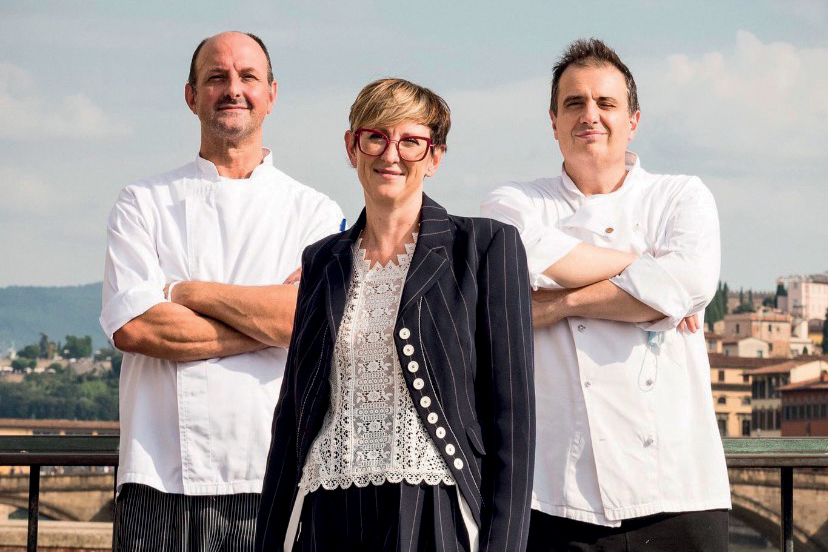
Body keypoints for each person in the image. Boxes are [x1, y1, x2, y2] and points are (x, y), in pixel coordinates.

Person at [255, 78, 535, 552]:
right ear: (352, 147)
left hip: (432, 511)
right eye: (376, 137)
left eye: (411, 141)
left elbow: (514, 420)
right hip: (328, 515)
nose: (391, 154)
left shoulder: (486, 247)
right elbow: (292, 418)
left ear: (435, 156)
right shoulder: (322, 261)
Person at [481, 39, 731, 551]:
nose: (589, 115)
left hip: (679, 490)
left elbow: (694, 282)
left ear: (633, 120)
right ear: (552, 120)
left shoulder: (682, 195)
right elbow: (526, 260)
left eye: (606, 103)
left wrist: (561, 303)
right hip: (556, 496)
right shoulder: (513, 203)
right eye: (574, 103)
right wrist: (653, 279)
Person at [100, 31, 344, 551]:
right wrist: (274, 323)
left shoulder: (314, 212)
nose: (233, 89)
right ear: (191, 96)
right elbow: (137, 326)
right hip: (157, 479)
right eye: (216, 78)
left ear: (272, 94)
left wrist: (184, 291)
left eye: (248, 77)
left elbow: (308, 322)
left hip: (273, 475)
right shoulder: (142, 202)